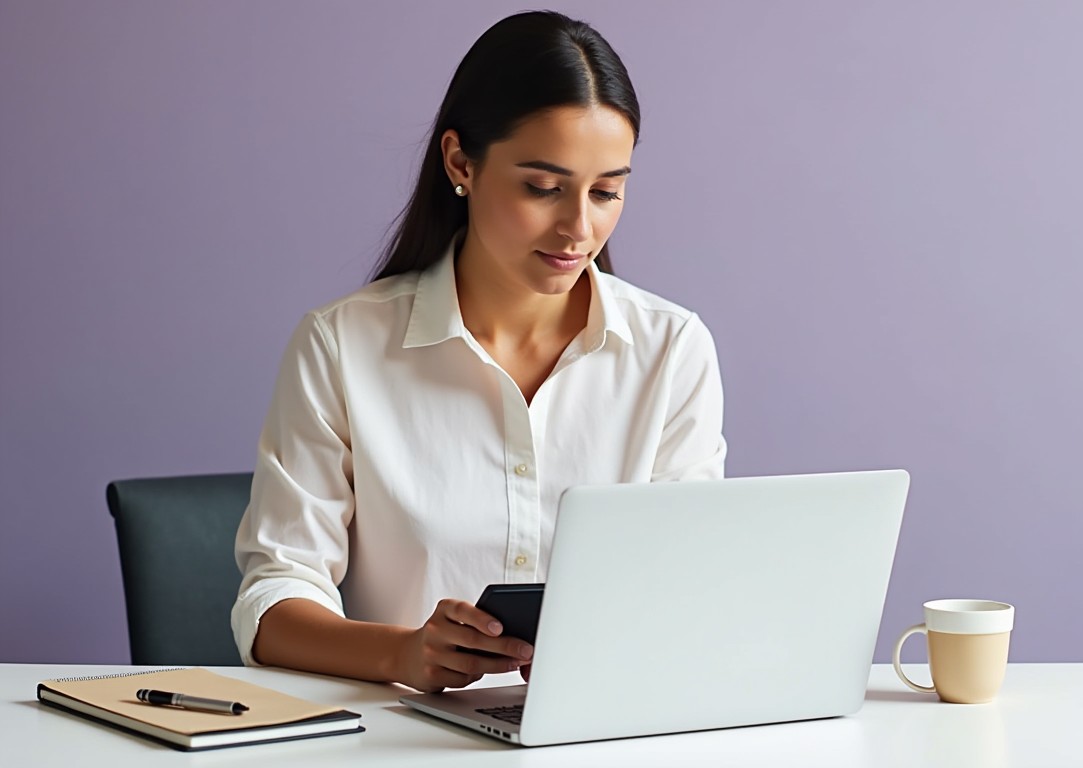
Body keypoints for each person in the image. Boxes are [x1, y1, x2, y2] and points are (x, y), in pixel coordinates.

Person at [231, 11, 726, 693]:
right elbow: (273, 604)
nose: (579, 228)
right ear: (461, 162)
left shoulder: (671, 350)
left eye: (607, 191)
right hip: (400, 743)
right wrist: (404, 655)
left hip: (607, 735)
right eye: (542, 187)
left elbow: (688, 583)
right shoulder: (342, 346)